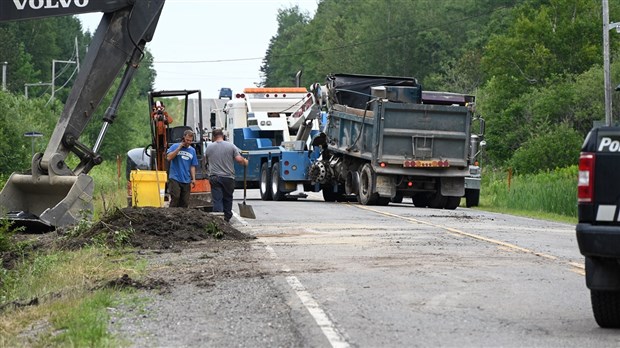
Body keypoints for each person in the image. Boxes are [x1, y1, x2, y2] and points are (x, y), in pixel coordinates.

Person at [205, 128, 248, 222]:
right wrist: (245, 162)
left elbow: (207, 161)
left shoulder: (209, 147)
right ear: (223, 136)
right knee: (228, 198)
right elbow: (239, 159)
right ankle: (227, 218)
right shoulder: (231, 146)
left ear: (213, 137)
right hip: (228, 177)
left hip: (214, 177)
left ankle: (218, 220)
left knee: (217, 199)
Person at [166, 129, 198, 208]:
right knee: (176, 197)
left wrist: (193, 178)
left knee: (185, 201)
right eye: (187, 140)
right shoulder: (175, 146)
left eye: (190, 141)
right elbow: (169, 158)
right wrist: (179, 148)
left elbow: (192, 165)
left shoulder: (192, 151)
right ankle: (171, 214)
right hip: (175, 177)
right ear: (183, 138)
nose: (188, 142)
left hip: (186, 179)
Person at [151, 101, 173, 170]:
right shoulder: (153, 115)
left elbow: (170, 121)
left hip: (165, 139)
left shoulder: (165, 114)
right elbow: (153, 119)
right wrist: (155, 114)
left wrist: (164, 115)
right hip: (158, 141)